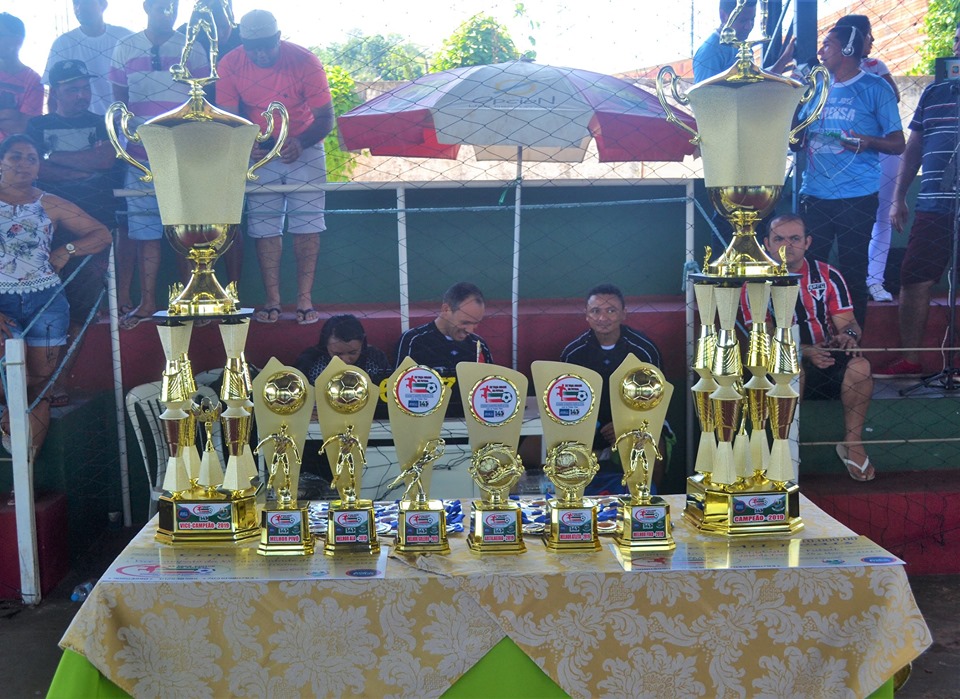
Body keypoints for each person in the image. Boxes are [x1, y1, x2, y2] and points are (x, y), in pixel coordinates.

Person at [216, 9, 334, 326]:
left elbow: (326, 118)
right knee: (264, 225)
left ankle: (304, 299)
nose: (261, 54)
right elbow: (228, 119)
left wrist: (302, 142)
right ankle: (273, 300)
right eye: (253, 48)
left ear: (279, 38)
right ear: (242, 43)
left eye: (267, 46)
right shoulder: (229, 64)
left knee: (307, 223)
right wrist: (246, 144)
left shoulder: (305, 61)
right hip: (259, 149)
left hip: (305, 143)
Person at [0, 134, 112, 456]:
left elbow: (102, 234)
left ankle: (26, 466)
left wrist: (66, 250)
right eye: (16, 156)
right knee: (10, 382)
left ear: (39, 167)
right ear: (1, 162)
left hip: (46, 301)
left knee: (40, 381)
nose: (23, 164)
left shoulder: (50, 203)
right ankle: (13, 432)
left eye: (31, 159)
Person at [109, 0, 207, 329]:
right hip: (140, 158)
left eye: (172, 5)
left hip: (183, 156)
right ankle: (148, 301)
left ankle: (192, 298)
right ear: (146, 6)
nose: (167, 11)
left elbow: (202, 105)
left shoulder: (193, 48)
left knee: (188, 232)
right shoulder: (125, 47)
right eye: (161, 5)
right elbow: (120, 105)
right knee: (145, 234)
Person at [798, 24, 904, 328]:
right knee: (810, 269)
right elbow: (797, 134)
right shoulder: (817, 86)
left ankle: (852, 341)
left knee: (852, 271)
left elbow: (898, 143)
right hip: (814, 193)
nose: (820, 52)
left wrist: (868, 141)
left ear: (846, 50)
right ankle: (815, 337)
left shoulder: (876, 88)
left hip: (857, 197)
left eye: (827, 45)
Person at [27, 59, 117, 405]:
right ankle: (37, 381)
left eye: (85, 88)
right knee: (43, 308)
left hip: (93, 231)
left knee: (81, 308)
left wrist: (55, 159)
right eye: (73, 89)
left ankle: (60, 381)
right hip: (45, 231)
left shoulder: (102, 121)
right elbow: (38, 170)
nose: (82, 95)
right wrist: (82, 163)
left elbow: (105, 162)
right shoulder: (37, 125)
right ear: (56, 92)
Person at [763, 214, 875, 481]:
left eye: (795, 239)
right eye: (779, 239)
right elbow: (762, 336)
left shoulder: (827, 274)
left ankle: (852, 443)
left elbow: (849, 323)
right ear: (767, 243)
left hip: (827, 354)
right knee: (792, 371)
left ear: (808, 242)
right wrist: (804, 351)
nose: (787, 245)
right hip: (780, 359)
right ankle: (785, 447)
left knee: (861, 366)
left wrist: (847, 337)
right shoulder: (755, 280)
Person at [878, 24, 960, 379]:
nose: (958, 45)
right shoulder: (934, 92)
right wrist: (899, 198)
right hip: (934, 204)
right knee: (913, 278)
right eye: (956, 38)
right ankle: (910, 359)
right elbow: (913, 148)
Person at [559, 283, 668, 492]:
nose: (603, 317)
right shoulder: (573, 353)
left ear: (623, 313)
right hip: (587, 427)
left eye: (611, 310)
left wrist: (624, 424)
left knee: (653, 444)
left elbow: (657, 400)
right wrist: (587, 426)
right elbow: (563, 402)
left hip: (635, 424)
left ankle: (647, 501)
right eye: (595, 311)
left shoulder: (644, 350)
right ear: (586, 315)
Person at [835, 14, 902, 304]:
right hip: (840, 155)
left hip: (880, 146)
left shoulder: (876, 67)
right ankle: (836, 285)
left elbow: (894, 97)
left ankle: (875, 280)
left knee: (882, 217)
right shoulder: (827, 71)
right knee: (844, 220)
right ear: (854, 39)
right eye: (867, 34)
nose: (872, 40)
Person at [395, 282, 493, 416]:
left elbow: (490, 391)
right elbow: (399, 393)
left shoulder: (478, 345)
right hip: (424, 421)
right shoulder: (413, 340)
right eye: (465, 322)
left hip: (469, 422)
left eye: (475, 323)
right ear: (446, 310)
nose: (470, 330)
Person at [43, 0, 132, 116]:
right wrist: (56, 124)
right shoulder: (63, 43)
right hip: (79, 122)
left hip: (124, 120)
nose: (79, 8)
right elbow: (53, 94)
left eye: (86, 2)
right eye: (76, 3)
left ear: (103, 5)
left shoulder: (125, 38)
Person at [693, 0, 794, 83]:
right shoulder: (710, 53)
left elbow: (756, 85)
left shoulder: (742, 45)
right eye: (742, 21)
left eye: (752, 20)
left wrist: (784, 59)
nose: (748, 27)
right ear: (723, 16)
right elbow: (704, 98)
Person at [294, 313, 392, 387]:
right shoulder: (310, 363)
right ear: (325, 345)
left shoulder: (375, 359)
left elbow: (386, 389)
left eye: (352, 353)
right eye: (337, 354)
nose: (345, 359)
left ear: (362, 344)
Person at [0, 13, 43, 142]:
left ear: (18, 40)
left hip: (13, 150)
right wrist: (9, 115)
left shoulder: (33, 80)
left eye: (1, 35)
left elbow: (23, 127)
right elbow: (17, 122)